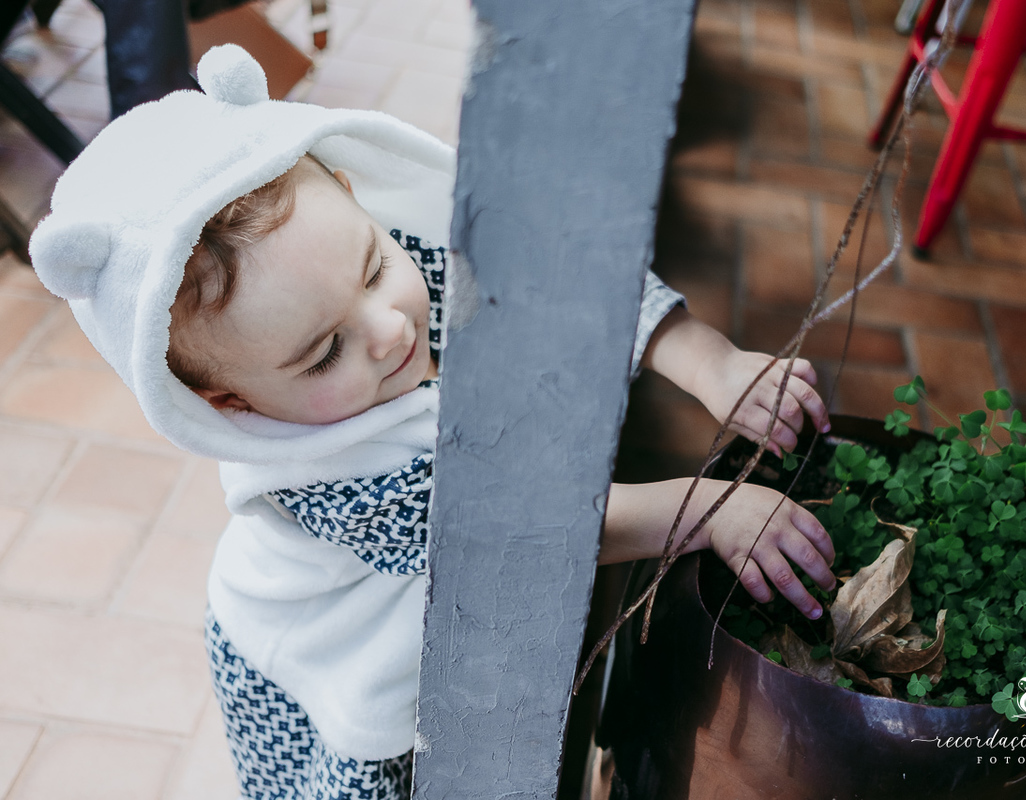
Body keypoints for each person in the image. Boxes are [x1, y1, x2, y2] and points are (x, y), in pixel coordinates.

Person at [30, 45, 836, 800]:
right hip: (317, 673)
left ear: (352, 196)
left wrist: (709, 361)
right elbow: (514, 528)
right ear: (232, 405)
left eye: (377, 266)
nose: (387, 331)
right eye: (322, 356)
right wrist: (709, 509)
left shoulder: (354, 281)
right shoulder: (333, 481)